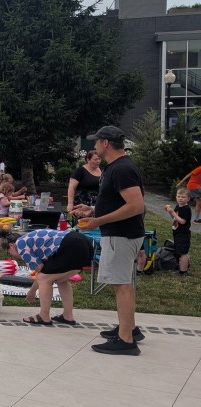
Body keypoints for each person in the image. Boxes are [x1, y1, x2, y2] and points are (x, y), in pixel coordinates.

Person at [72, 125, 146, 355]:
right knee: (122, 283)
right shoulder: (118, 166)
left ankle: (126, 341)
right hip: (121, 233)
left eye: (96, 142)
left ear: (105, 143)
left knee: (121, 284)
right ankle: (129, 328)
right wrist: (93, 210)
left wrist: (98, 221)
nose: (94, 146)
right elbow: (117, 201)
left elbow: (136, 206)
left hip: (121, 235)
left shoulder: (121, 169)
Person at [0, 226, 94, 326]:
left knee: (44, 279)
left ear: (11, 245)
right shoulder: (30, 240)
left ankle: (44, 316)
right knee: (60, 280)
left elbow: (40, 273)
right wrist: (33, 290)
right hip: (84, 244)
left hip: (71, 245)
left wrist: (32, 291)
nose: (12, 255)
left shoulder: (20, 245)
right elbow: (43, 271)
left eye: (9, 252)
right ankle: (68, 316)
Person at [167, 188, 192, 276]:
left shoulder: (186, 209)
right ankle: (180, 267)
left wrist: (173, 213)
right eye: (178, 196)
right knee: (178, 251)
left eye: (183, 197)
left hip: (183, 234)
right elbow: (174, 217)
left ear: (188, 199)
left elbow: (182, 221)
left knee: (183, 253)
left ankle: (183, 272)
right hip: (177, 233)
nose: (180, 198)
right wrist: (170, 212)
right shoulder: (178, 206)